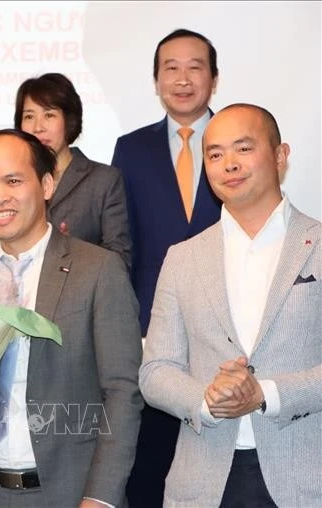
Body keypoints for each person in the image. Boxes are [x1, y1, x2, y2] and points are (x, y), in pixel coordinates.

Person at [139, 103, 321, 506]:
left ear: (279, 155)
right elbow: (155, 371)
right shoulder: (183, 257)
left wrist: (267, 394)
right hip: (203, 483)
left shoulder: (319, 245)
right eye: (215, 154)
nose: (228, 165)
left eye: (243, 149)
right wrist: (206, 400)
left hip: (306, 481)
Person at [0, 129, 143, 508]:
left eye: (13, 181)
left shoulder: (98, 269)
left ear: (46, 184)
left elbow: (122, 392)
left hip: (72, 493)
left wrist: (101, 497)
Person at [110, 29, 223, 506]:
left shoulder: (236, 143)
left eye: (195, 67)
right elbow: (124, 245)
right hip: (153, 335)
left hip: (226, 332)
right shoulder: (130, 149)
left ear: (214, 79)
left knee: (219, 456)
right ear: (156, 80)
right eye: (170, 68)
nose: (182, 79)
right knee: (152, 464)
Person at [14, 73, 131, 268]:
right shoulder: (12, 182)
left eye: (49, 115)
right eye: (29, 116)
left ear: (69, 121)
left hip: (79, 296)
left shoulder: (103, 180)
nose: (37, 127)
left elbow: (118, 257)